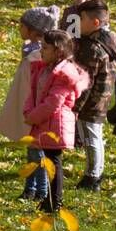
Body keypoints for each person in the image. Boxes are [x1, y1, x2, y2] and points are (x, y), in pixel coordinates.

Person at [0, 5, 60, 201]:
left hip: (36, 110)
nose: (19, 29)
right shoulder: (33, 52)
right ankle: (30, 188)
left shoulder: (39, 56)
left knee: (36, 152)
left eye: (22, 26)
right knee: (32, 151)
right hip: (29, 106)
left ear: (34, 31)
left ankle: (41, 190)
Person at [23, 30, 90, 213]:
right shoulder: (43, 68)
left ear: (58, 51)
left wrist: (33, 116)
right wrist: (28, 111)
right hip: (44, 122)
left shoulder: (63, 75)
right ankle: (50, 200)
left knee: (54, 162)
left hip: (55, 125)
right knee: (49, 162)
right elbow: (33, 92)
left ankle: (55, 202)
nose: (41, 50)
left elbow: (53, 103)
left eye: (45, 47)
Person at [73, 0, 116, 191]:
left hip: (92, 101)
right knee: (92, 136)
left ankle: (93, 177)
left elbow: (86, 81)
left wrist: (76, 106)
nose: (78, 24)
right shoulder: (112, 40)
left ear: (94, 23)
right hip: (104, 97)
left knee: (92, 138)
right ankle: (92, 172)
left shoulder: (93, 48)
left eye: (81, 19)